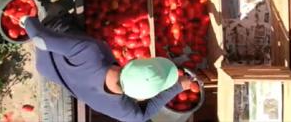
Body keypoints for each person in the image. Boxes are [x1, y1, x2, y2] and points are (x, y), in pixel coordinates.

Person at [18, 13, 192, 122]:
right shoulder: (122, 109)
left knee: (59, 14)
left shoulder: (92, 53)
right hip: (48, 70)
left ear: (134, 62)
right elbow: (142, 117)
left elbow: (40, 39)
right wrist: (176, 88)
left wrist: (26, 19)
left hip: (48, 53)